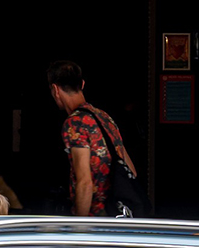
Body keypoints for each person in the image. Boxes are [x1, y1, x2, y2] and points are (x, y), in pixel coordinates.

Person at [48, 60, 136, 217]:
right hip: (118, 214)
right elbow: (131, 171)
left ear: (55, 90)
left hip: (96, 220)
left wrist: (79, 227)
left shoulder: (75, 123)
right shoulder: (104, 118)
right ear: (82, 84)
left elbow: (85, 182)